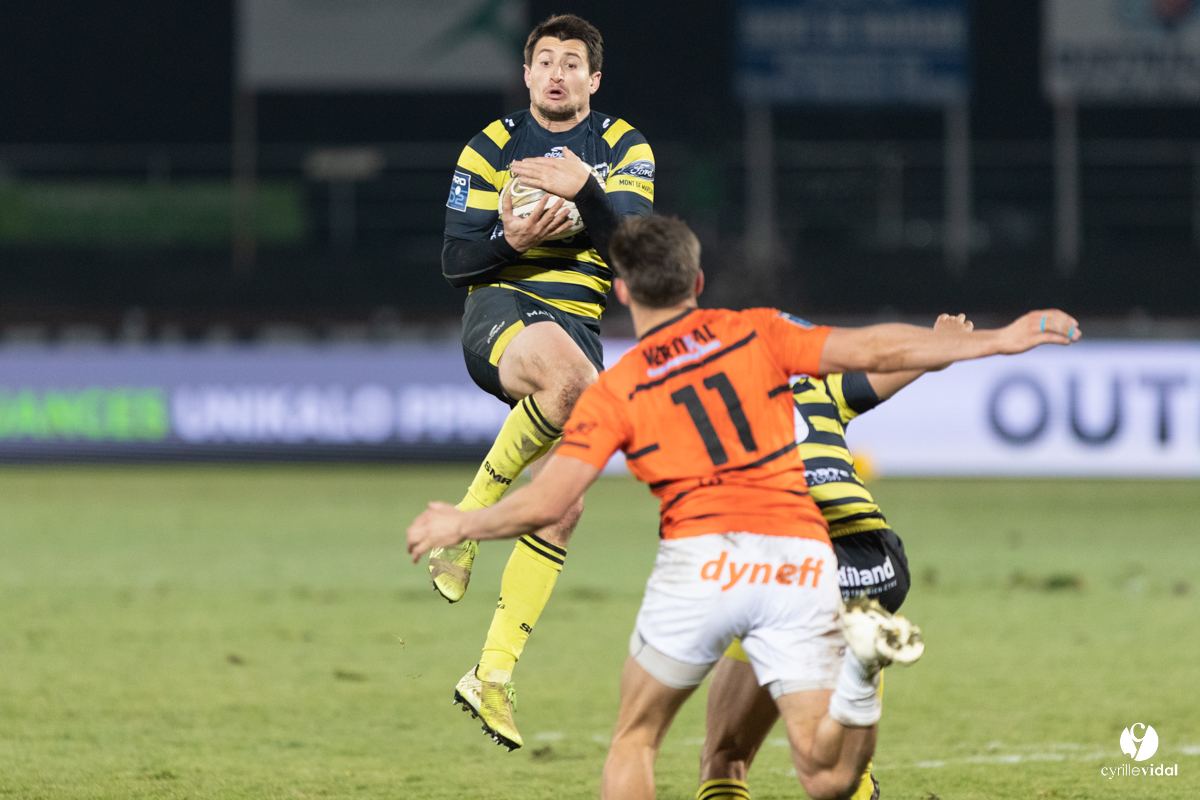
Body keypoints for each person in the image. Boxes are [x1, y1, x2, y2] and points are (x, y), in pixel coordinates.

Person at [407, 216, 1080, 798]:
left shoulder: (619, 389)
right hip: (797, 561)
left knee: (636, 739)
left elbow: (551, 500)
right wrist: (993, 339)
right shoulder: (759, 333)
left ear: (622, 292)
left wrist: (465, 522)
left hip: (705, 561)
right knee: (824, 774)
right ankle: (862, 675)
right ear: (697, 285)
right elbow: (872, 347)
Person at [434, 13, 655, 749]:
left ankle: (491, 673)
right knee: (578, 386)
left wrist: (585, 191)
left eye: (572, 63)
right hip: (500, 314)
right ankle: (467, 521)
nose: (556, 73)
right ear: (527, 74)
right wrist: (511, 238)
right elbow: (457, 261)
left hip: (581, 337)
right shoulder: (491, 147)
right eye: (544, 61)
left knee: (563, 507)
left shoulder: (623, 147)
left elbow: (630, 246)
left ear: (594, 79)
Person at [698, 312, 972, 800]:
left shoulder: (710, 407)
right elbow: (899, 361)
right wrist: (940, 342)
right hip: (874, 563)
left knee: (726, 757)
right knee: (843, 775)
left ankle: (856, 663)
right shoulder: (822, 391)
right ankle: (861, 665)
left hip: (793, 570)